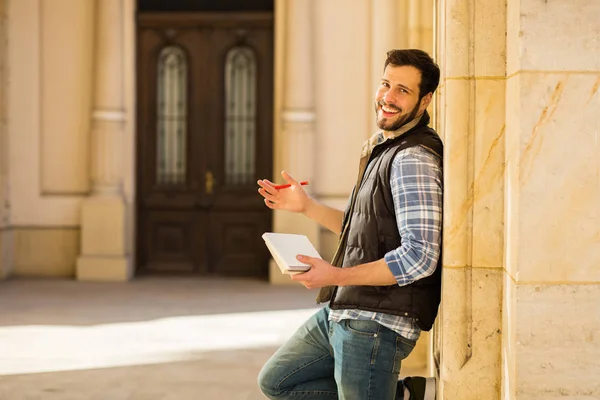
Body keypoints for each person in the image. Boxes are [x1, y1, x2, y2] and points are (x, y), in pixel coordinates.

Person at [256, 49, 443, 400]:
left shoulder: (412, 159)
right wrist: (307, 207)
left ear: (425, 100)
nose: (388, 97)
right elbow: (363, 231)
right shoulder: (382, 148)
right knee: (276, 382)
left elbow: (419, 256)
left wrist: (335, 275)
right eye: (386, 84)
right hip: (343, 309)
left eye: (403, 90)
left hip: (376, 324)